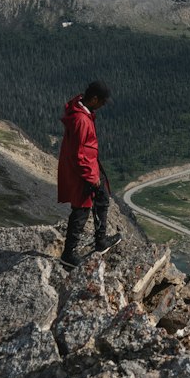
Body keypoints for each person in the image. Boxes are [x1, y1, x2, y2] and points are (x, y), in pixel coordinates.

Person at [58, 79, 119, 266]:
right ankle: (69, 253)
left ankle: (101, 241)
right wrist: (91, 176)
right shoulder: (81, 120)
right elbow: (78, 153)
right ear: (93, 99)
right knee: (81, 208)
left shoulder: (82, 113)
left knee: (101, 200)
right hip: (84, 171)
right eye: (101, 101)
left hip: (90, 166)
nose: (102, 105)